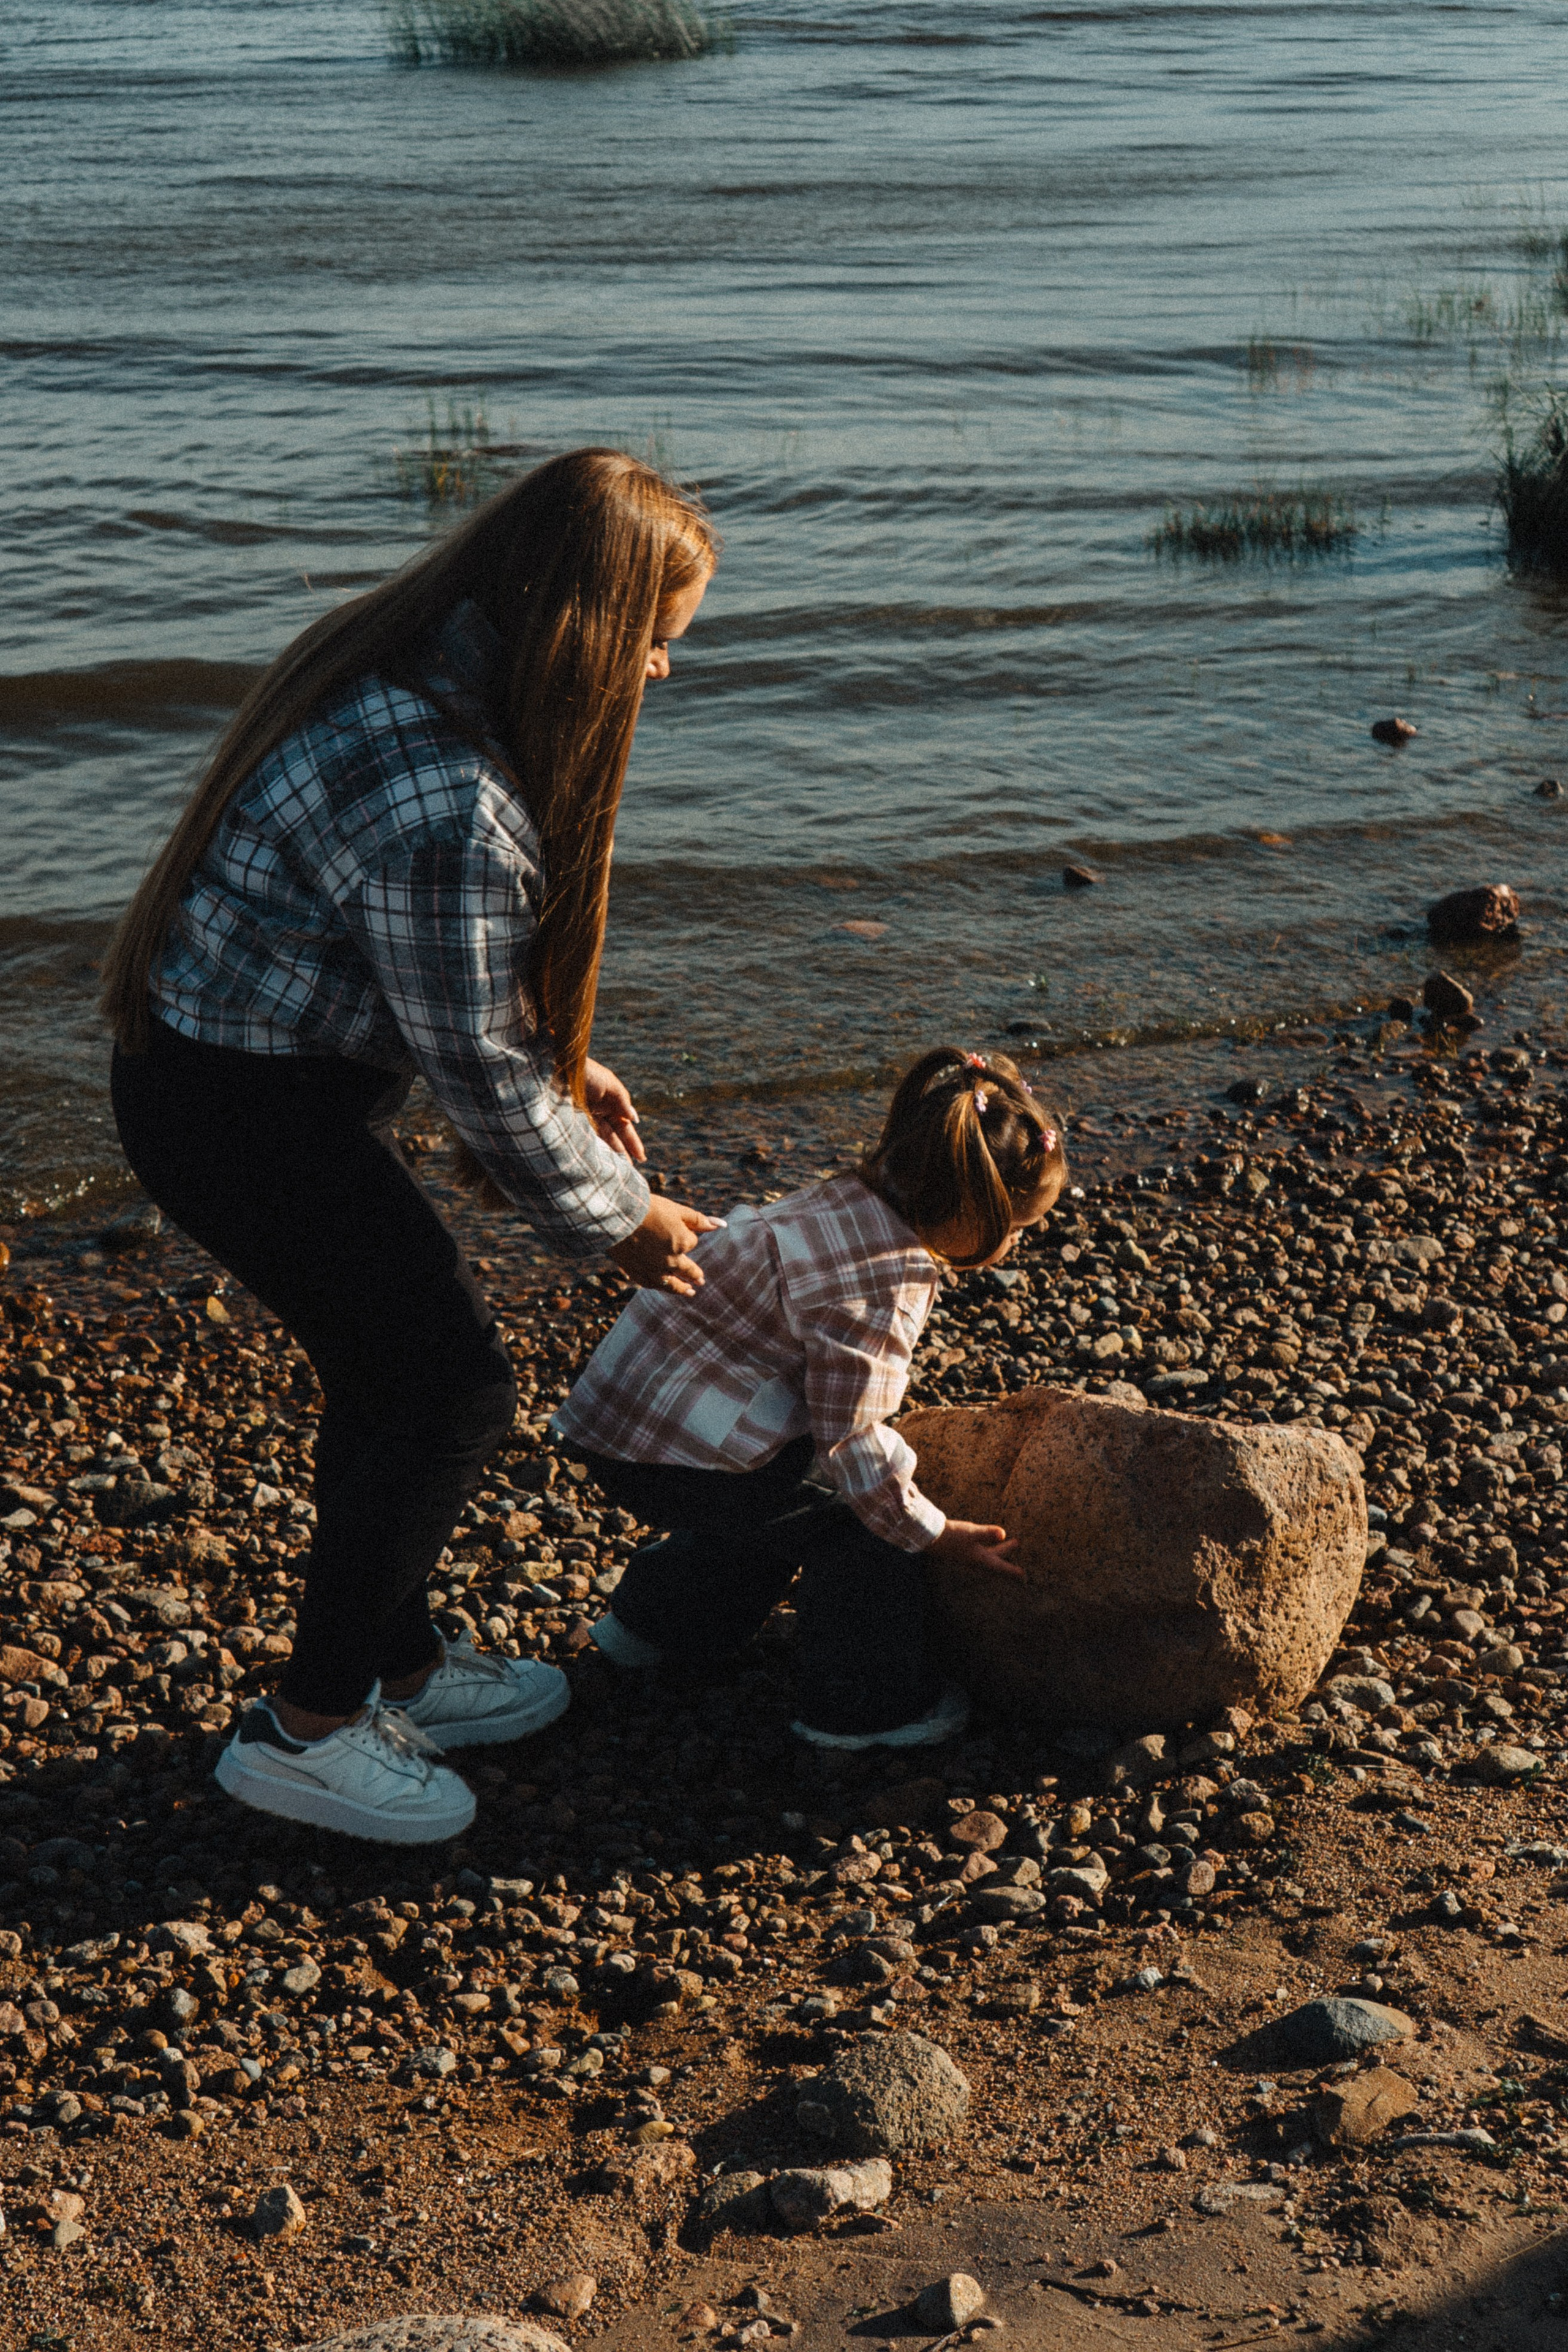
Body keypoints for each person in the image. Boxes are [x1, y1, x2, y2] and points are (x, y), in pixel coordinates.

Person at [104, 450, 722, 1843]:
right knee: (450, 1392)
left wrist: (577, 1066)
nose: (665, 675)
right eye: (656, 642)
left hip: (226, 1084)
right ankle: (308, 1731)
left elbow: (440, 978)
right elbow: (490, 1085)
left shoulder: (401, 663)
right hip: (240, 1114)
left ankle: (405, 1666)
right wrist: (626, 1217)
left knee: (386, 1373)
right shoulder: (451, 799)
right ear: (578, 628)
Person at [554, 1048, 1066, 1749]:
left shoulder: (846, 1200)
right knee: (853, 1520)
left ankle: (655, 1627)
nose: (1010, 1246)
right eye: (1012, 1228)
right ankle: (863, 1708)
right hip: (667, 1446)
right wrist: (931, 1531)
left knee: (775, 1499)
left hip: (627, 1413)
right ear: (967, 1208)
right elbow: (854, 1441)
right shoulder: (882, 1285)